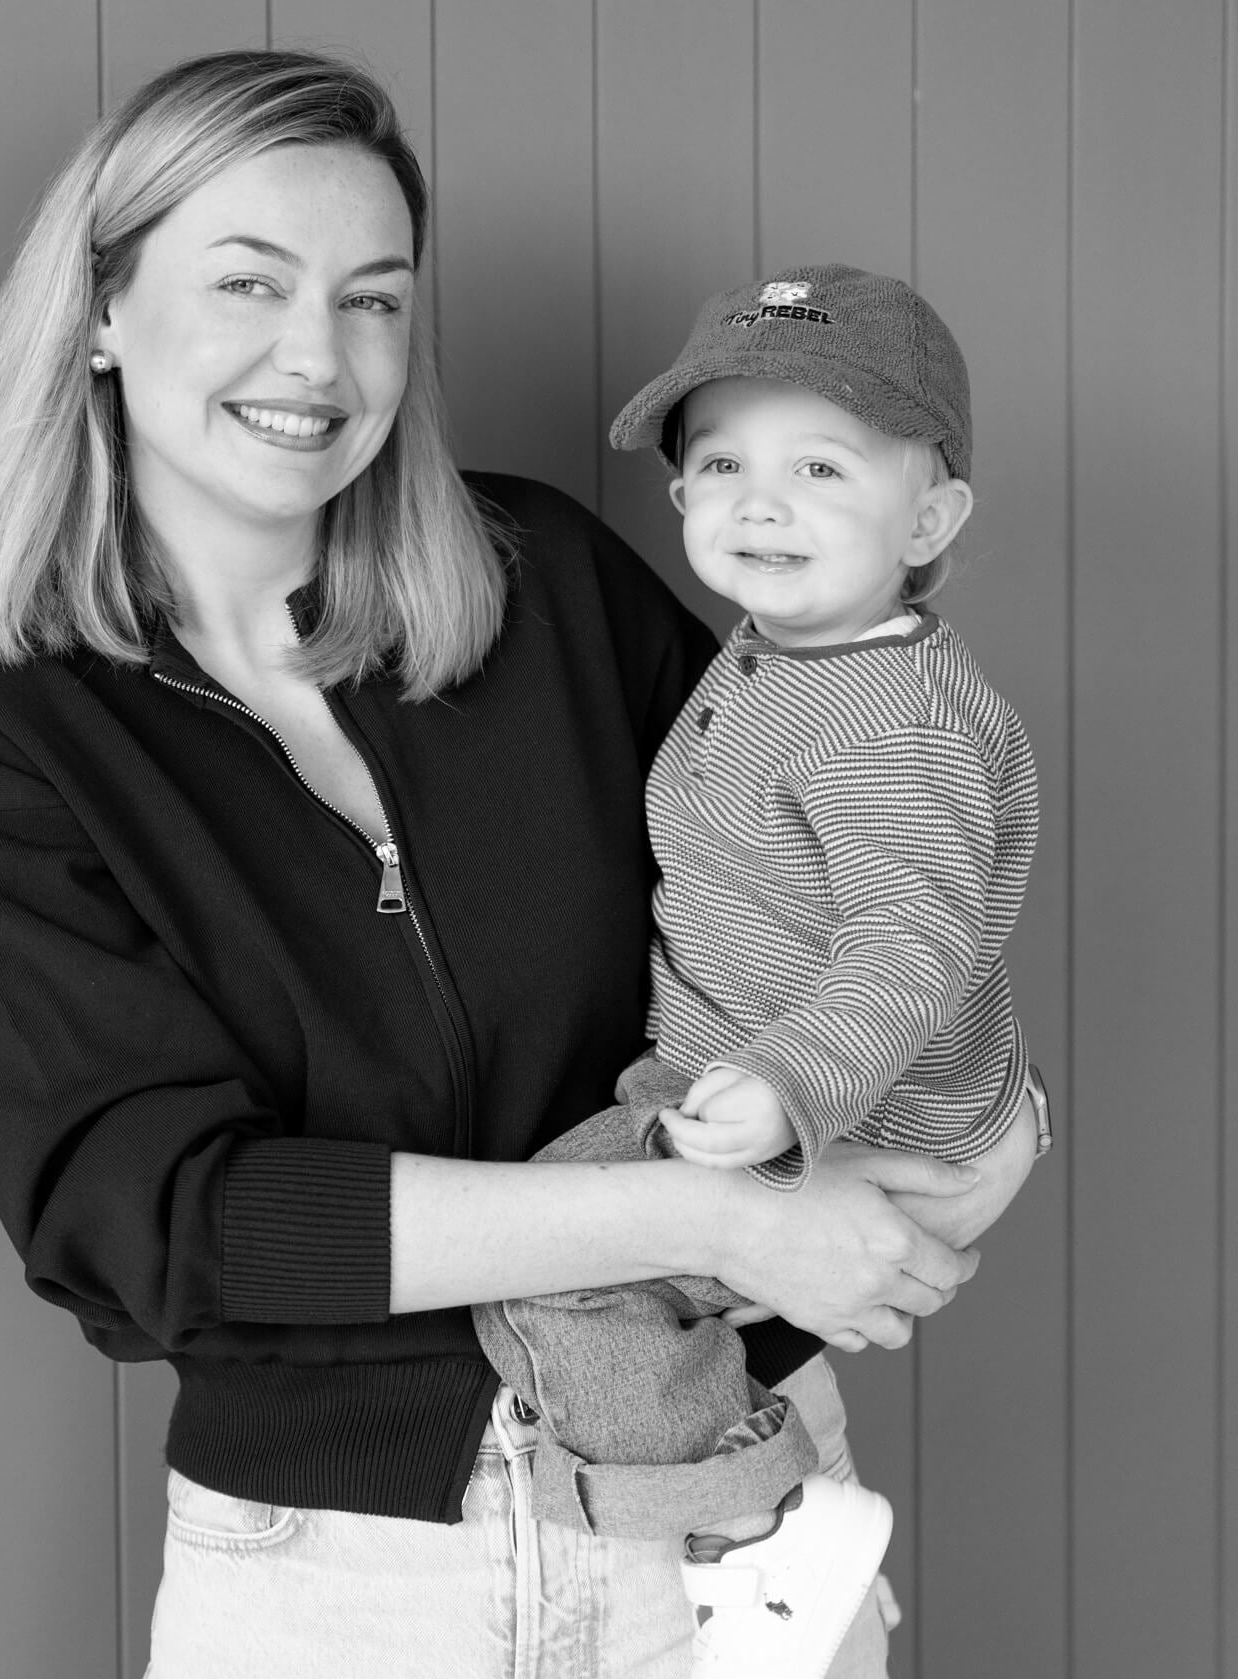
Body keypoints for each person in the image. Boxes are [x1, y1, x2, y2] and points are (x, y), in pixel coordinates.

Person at [0, 51, 1034, 1679]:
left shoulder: (543, 577)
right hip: (336, 1572)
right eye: (247, 283)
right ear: (101, 313)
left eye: (373, 299)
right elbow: (160, 1234)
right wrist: (710, 1212)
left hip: (726, 1515)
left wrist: (989, 1120)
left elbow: (853, 867)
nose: (318, 356)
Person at [473, 265, 1043, 1679]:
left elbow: (912, 943)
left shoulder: (889, 726)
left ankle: (756, 1523)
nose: (757, 500)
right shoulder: (797, 652)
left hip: (844, 1102)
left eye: (820, 465)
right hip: (776, 1075)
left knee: (557, 1277)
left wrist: (792, 1086)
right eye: (719, 462)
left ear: (931, 517)